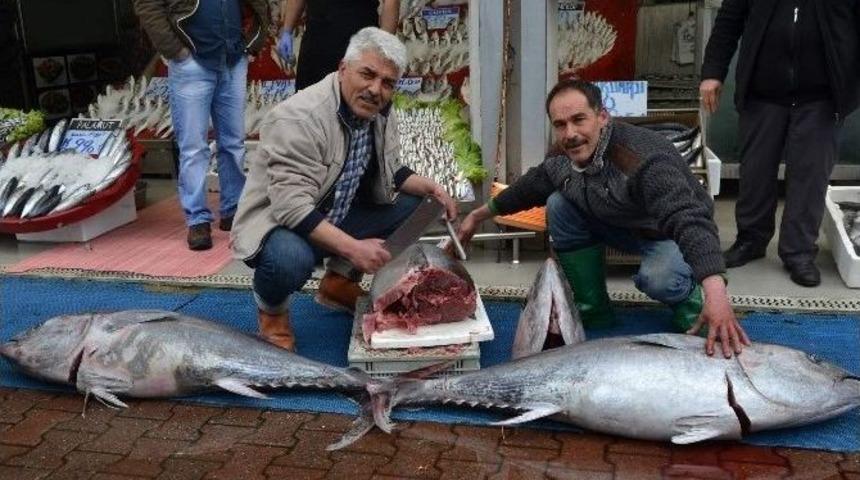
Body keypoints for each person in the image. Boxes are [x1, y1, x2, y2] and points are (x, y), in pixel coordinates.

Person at [458, 79, 750, 358]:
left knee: (659, 280)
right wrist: (477, 215)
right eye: (560, 124)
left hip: (665, 234)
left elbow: (690, 219)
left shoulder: (642, 158)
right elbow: (533, 185)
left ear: (603, 117)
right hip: (618, 225)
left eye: (579, 119)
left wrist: (716, 290)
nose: (570, 133)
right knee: (558, 203)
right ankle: (594, 308)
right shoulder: (563, 154)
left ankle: (695, 307)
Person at [231, 27, 456, 352]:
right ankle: (272, 310)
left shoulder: (378, 112)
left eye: (387, 83)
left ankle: (338, 283)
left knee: (420, 203)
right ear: (342, 69)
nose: (376, 89)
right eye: (368, 74)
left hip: (332, 212)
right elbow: (290, 207)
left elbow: (390, 170)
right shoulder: (299, 118)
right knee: (289, 260)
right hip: (281, 225)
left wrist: (431, 186)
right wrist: (354, 248)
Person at [700, 0, 860, 287]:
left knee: (810, 177)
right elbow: (728, 21)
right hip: (762, 94)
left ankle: (799, 252)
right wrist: (712, 72)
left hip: (822, 98)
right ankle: (751, 240)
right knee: (755, 172)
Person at [134, 0, 269, 251]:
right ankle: (197, 219)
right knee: (193, 146)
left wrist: (252, 45)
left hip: (232, 59)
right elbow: (147, 5)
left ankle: (233, 211)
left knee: (234, 143)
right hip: (192, 61)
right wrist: (176, 51)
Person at [276, 0, 400, 90]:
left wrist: (385, 46)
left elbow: (391, 2)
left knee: (353, 110)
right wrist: (287, 29)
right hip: (315, 46)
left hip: (359, 47)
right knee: (308, 110)